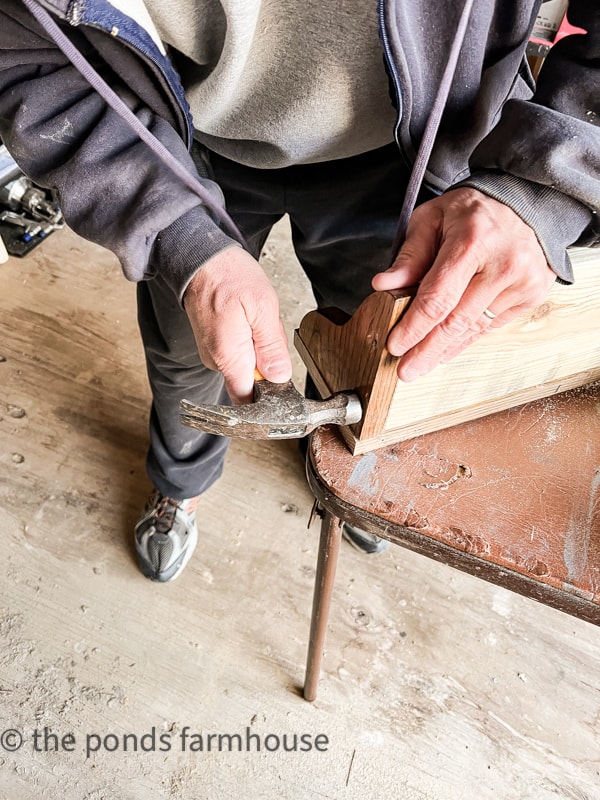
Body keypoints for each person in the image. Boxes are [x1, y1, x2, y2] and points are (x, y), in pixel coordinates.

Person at [0, 0, 597, 581]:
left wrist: (545, 191)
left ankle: (338, 461)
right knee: (187, 354)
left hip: (410, 155)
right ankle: (180, 484)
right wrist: (176, 235)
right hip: (179, 145)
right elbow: (23, 51)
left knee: (373, 356)